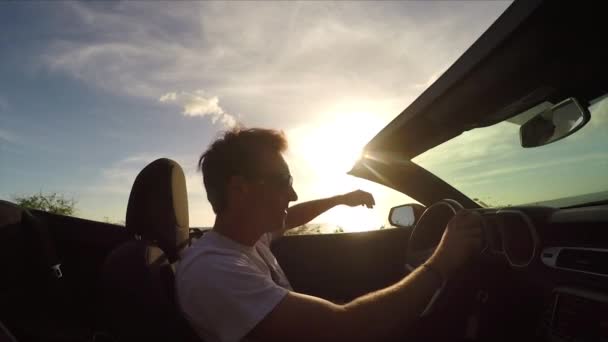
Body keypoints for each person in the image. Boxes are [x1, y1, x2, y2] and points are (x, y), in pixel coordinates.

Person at [175, 127, 482, 342]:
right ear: (240, 189)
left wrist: (339, 200)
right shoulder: (214, 271)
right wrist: (442, 261)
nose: (292, 193)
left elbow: (289, 217)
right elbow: (347, 331)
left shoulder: (247, 238)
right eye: (283, 181)